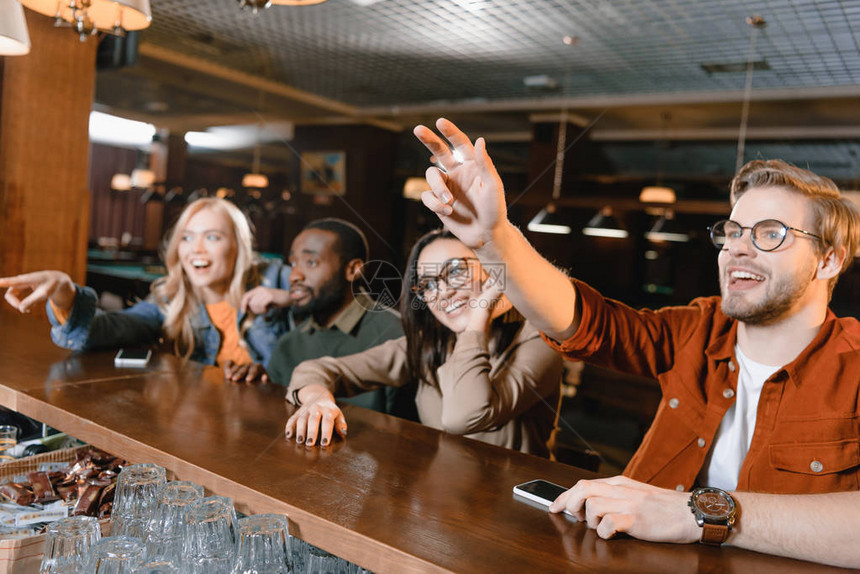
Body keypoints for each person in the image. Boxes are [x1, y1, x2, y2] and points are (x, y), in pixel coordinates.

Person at [413, 118, 860, 568]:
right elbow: (584, 321)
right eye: (733, 231)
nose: (737, 248)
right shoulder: (696, 329)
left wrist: (698, 516)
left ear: (828, 259)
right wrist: (495, 238)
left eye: (770, 233)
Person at [283, 229, 564, 454]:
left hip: (509, 513)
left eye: (455, 271)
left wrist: (478, 318)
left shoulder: (538, 338)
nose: (442, 292)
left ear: (492, 270)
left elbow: (464, 417)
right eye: (428, 284)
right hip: (440, 500)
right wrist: (317, 400)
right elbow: (317, 369)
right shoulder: (428, 343)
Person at [0, 198, 292, 375]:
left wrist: (291, 298)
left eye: (213, 237)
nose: (196, 249)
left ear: (238, 247)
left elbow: (332, 310)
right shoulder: (169, 300)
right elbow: (101, 331)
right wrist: (66, 294)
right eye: (187, 237)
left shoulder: (276, 278)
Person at [254, 218, 413, 418]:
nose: (294, 276)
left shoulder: (396, 333)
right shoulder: (288, 344)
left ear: (353, 269)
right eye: (293, 263)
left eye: (311, 262)